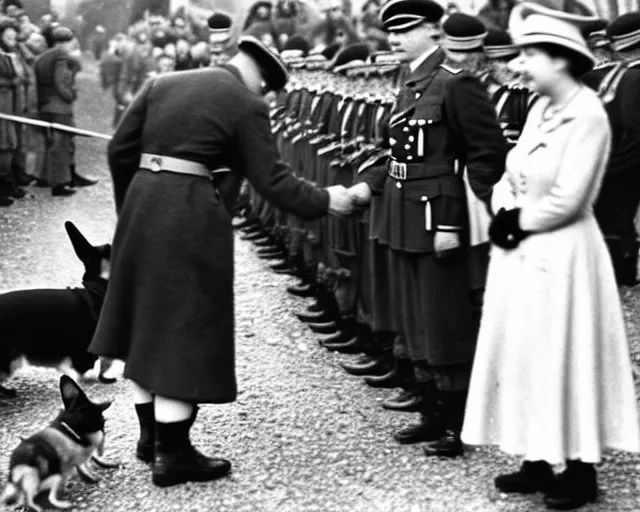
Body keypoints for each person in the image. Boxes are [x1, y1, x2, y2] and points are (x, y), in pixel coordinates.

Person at [88, 35, 357, 488]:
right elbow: (271, 179)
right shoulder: (245, 104)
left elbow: (119, 151)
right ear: (264, 81)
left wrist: (131, 208)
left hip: (140, 205)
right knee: (181, 327)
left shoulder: (162, 82)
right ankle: (173, 455)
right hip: (190, 215)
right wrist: (325, 200)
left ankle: (149, 438)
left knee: (143, 321)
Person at [461, 3, 640, 510]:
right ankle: (537, 457)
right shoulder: (540, 108)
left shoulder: (588, 115)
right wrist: (501, 205)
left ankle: (580, 469)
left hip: (563, 256)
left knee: (566, 354)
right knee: (526, 354)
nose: (520, 65)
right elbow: (513, 167)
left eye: (531, 54)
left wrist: (518, 222)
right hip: (522, 252)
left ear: (561, 59)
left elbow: (571, 197)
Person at [347, 0, 507, 457]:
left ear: (434, 31)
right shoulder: (410, 80)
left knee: (445, 318)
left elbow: (485, 153)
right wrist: (366, 187)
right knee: (416, 314)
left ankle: (458, 422)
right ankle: (432, 409)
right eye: (391, 31)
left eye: (405, 29)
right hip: (403, 211)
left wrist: (457, 220)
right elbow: (395, 152)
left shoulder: (456, 83)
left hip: (438, 217)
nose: (394, 38)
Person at [582, 13, 640, 286]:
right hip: (624, 161)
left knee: (618, 219)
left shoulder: (628, 78)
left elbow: (631, 129)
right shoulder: (625, 77)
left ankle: (623, 271)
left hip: (623, 163)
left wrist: (611, 165)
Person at [34, 26, 97, 197]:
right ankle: (60, 183)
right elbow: (61, 81)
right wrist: (71, 95)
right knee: (61, 144)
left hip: (45, 104)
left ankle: (47, 178)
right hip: (59, 105)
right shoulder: (61, 56)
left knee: (50, 143)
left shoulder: (42, 57)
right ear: (65, 41)